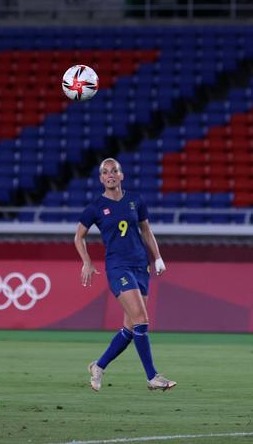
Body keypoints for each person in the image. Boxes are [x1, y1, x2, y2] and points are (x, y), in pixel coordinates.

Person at [74, 158, 177, 392]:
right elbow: (78, 236)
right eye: (105, 172)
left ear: (121, 175)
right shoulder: (95, 208)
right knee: (142, 320)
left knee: (131, 328)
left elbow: (146, 230)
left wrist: (158, 257)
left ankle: (98, 366)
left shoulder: (135, 200)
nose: (110, 175)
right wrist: (87, 262)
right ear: (101, 179)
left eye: (114, 171)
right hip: (118, 268)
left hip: (141, 266)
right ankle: (152, 377)